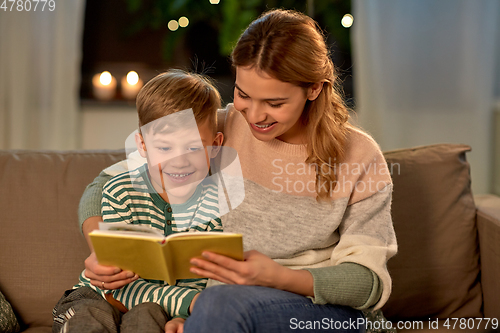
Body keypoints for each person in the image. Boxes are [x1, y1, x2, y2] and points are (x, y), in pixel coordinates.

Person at [78, 9, 398, 333]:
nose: (255, 115)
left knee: (222, 304)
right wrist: (104, 247)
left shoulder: (359, 156)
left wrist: (275, 277)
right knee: (218, 306)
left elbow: (368, 283)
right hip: (222, 308)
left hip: (321, 312)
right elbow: (110, 178)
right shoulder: (225, 127)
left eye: (274, 102)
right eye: (243, 94)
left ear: (313, 89)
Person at [52, 69, 224, 333]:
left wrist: (187, 317)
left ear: (215, 145)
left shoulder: (215, 207)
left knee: (148, 318)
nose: (179, 161)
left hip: (158, 309)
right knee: (88, 319)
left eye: (193, 147)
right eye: (164, 148)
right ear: (142, 145)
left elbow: (200, 282)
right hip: (98, 296)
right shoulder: (121, 192)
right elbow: (120, 284)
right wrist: (191, 303)